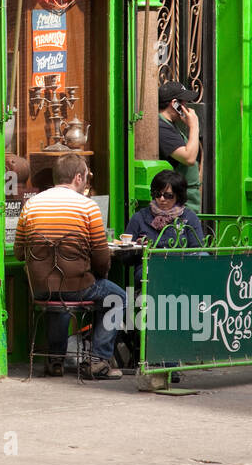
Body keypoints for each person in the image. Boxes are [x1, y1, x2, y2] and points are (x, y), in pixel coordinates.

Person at [15, 153, 126, 380]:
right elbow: (101, 257)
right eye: (86, 176)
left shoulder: (31, 205)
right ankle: (98, 360)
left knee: (60, 295)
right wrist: (101, 272)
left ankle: (55, 360)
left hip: (40, 287)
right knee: (118, 297)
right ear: (78, 177)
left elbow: (18, 253)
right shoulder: (88, 207)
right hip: (76, 286)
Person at [124, 170, 205, 249]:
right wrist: (138, 248)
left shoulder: (189, 217)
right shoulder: (139, 217)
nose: (162, 199)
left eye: (168, 195)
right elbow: (126, 255)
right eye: (157, 194)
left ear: (178, 196)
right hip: (148, 262)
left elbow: (198, 252)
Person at [158, 81, 203, 212]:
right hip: (178, 203)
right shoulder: (162, 127)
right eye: (183, 103)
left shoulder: (171, 125)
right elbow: (188, 158)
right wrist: (194, 126)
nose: (186, 107)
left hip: (186, 200)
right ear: (175, 104)